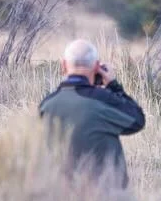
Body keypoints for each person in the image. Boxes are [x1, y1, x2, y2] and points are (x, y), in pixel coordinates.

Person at [38, 39, 146, 187]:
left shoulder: (46, 105)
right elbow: (137, 120)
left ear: (63, 65)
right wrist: (113, 86)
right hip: (106, 195)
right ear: (96, 67)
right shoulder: (105, 100)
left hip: (62, 196)